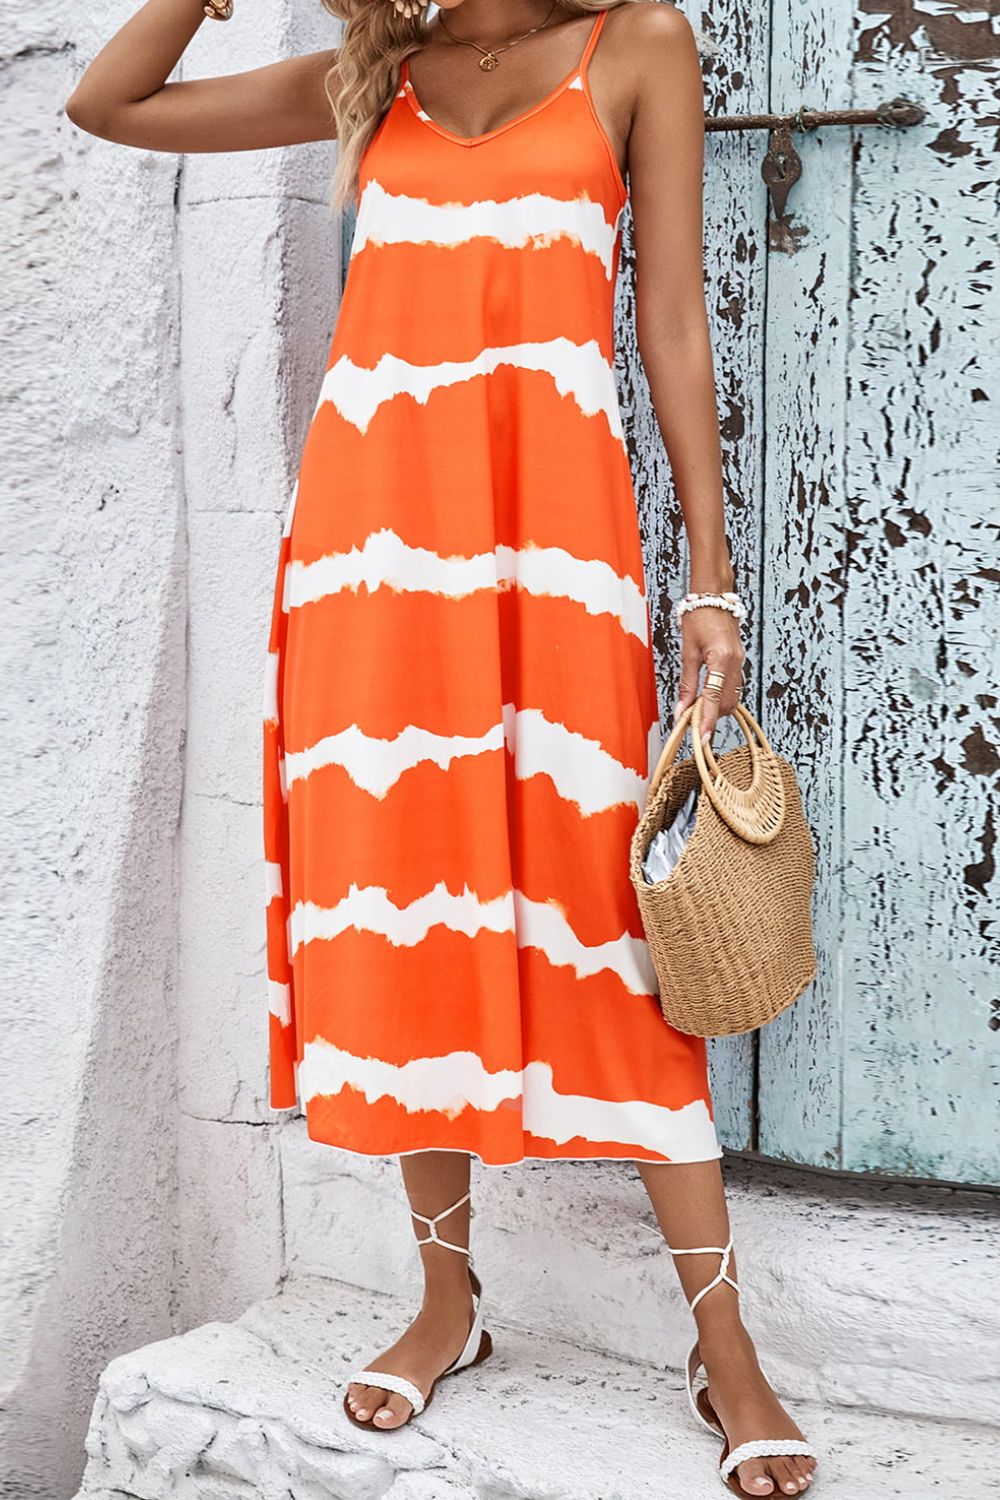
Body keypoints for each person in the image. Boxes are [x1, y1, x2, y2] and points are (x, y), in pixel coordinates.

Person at [65, 2, 817, 1493]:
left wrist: (712, 576)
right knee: (409, 902)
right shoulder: (374, 82)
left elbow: (671, 318)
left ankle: (724, 1342)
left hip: (555, 545)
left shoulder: (637, 45)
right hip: (369, 555)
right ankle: (446, 1298)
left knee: (611, 928)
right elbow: (111, 104)